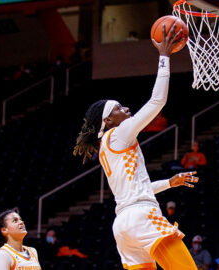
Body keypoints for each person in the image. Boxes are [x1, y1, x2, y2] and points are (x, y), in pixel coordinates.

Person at [73, 24, 199, 270]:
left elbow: (136, 192)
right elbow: (157, 101)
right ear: (107, 120)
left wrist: (168, 183)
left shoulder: (105, 148)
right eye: (119, 108)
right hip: (142, 217)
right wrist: (164, 56)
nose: (127, 109)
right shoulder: (118, 134)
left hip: (123, 225)